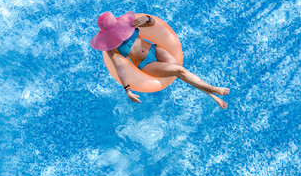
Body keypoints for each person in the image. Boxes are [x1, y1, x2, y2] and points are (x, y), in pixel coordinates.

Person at [90, 11, 230, 109]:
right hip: (147, 64)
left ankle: (213, 96)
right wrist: (127, 90)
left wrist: (147, 19)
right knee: (179, 70)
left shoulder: (128, 25)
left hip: (155, 49)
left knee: (183, 73)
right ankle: (213, 89)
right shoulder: (109, 47)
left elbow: (153, 24)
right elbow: (119, 67)